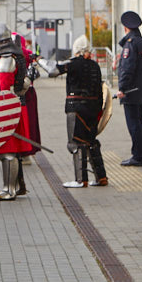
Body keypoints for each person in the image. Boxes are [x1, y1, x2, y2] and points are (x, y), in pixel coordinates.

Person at [49, 36, 107, 188]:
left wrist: (39, 60)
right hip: (93, 108)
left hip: (75, 108)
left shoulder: (73, 64)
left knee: (75, 143)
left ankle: (81, 179)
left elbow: (52, 71)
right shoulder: (95, 66)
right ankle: (101, 177)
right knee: (91, 141)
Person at [0, 24, 29, 199]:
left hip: (8, 109)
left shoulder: (6, 59)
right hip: (13, 107)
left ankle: (9, 190)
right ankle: (18, 185)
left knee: (7, 151)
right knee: (11, 150)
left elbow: (5, 89)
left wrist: (1, 111)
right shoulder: (14, 56)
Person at [116, 10, 142, 166]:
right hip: (141, 90)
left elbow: (127, 69)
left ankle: (137, 156)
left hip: (130, 92)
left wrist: (122, 88)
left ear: (125, 27)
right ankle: (140, 154)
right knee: (139, 123)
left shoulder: (130, 45)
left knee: (134, 125)